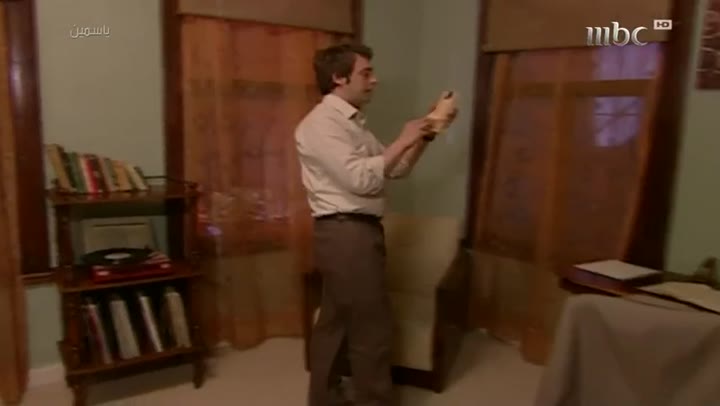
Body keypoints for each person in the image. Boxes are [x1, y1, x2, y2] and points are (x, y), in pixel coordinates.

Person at [295, 43, 456, 406]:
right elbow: (362, 180)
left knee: (336, 322)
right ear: (339, 78)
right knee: (372, 327)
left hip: (353, 232)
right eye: (366, 73)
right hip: (346, 233)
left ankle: (324, 398)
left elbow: (395, 169)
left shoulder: (352, 125)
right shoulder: (321, 125)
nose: (374, 80)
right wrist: (404, 137)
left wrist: (426, 134)